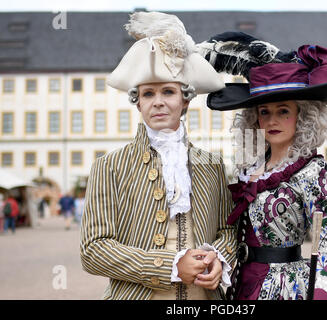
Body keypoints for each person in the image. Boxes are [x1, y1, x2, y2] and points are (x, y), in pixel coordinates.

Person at [80, 12, 236, 300]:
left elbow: (228, 230)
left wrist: (219, 257)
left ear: (185, 100)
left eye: (168, 91)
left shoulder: (212, 165)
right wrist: (171, 267)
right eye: (148, 94)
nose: (159, 102)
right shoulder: (109, 166)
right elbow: (93, 250)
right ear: (137, 102)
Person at [199, 32, 327, 300]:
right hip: (243, 281)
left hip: (287, 287)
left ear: (302, 115)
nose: (272, 120)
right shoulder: (248, 169)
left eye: (283, 110)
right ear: (255, 118)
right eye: (265, 112)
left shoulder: (316, 173)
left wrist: (321, 292)